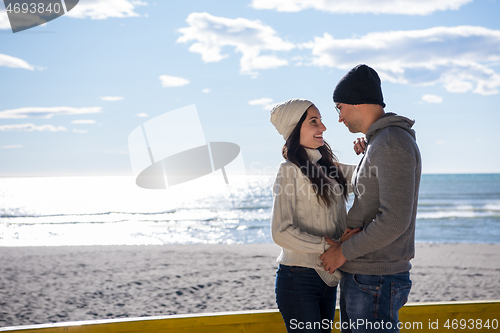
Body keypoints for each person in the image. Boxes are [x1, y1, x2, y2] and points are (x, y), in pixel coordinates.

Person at [320, 64, 422, 332]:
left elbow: (393, 220)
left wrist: (343, 252)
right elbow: (373, 194)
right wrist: (367, 157)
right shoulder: (381, 143)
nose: (339, 118)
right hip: (368, 277)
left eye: (339, 107)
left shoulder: (390, 142)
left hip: (375, 279)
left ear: (357, 103)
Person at [270, 98, 361, 333]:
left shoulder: (330, 168)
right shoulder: (288, 171)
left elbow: (369, 177)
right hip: (297, 279)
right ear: (294, 128)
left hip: (329, 279)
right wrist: (327, 247)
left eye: (321, 121)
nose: (323, 128)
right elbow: (280, 232)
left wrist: (371, 146)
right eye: (314, 121)